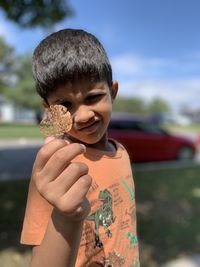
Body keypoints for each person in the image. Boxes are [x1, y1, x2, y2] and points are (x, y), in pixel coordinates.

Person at [20, 29, 140, 267]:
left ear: (112, 92)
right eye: (65, 104)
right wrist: (67, 216)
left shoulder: (122, 153)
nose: (83, 115)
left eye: (93, 97)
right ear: (49, 110)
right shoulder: (55, 169)